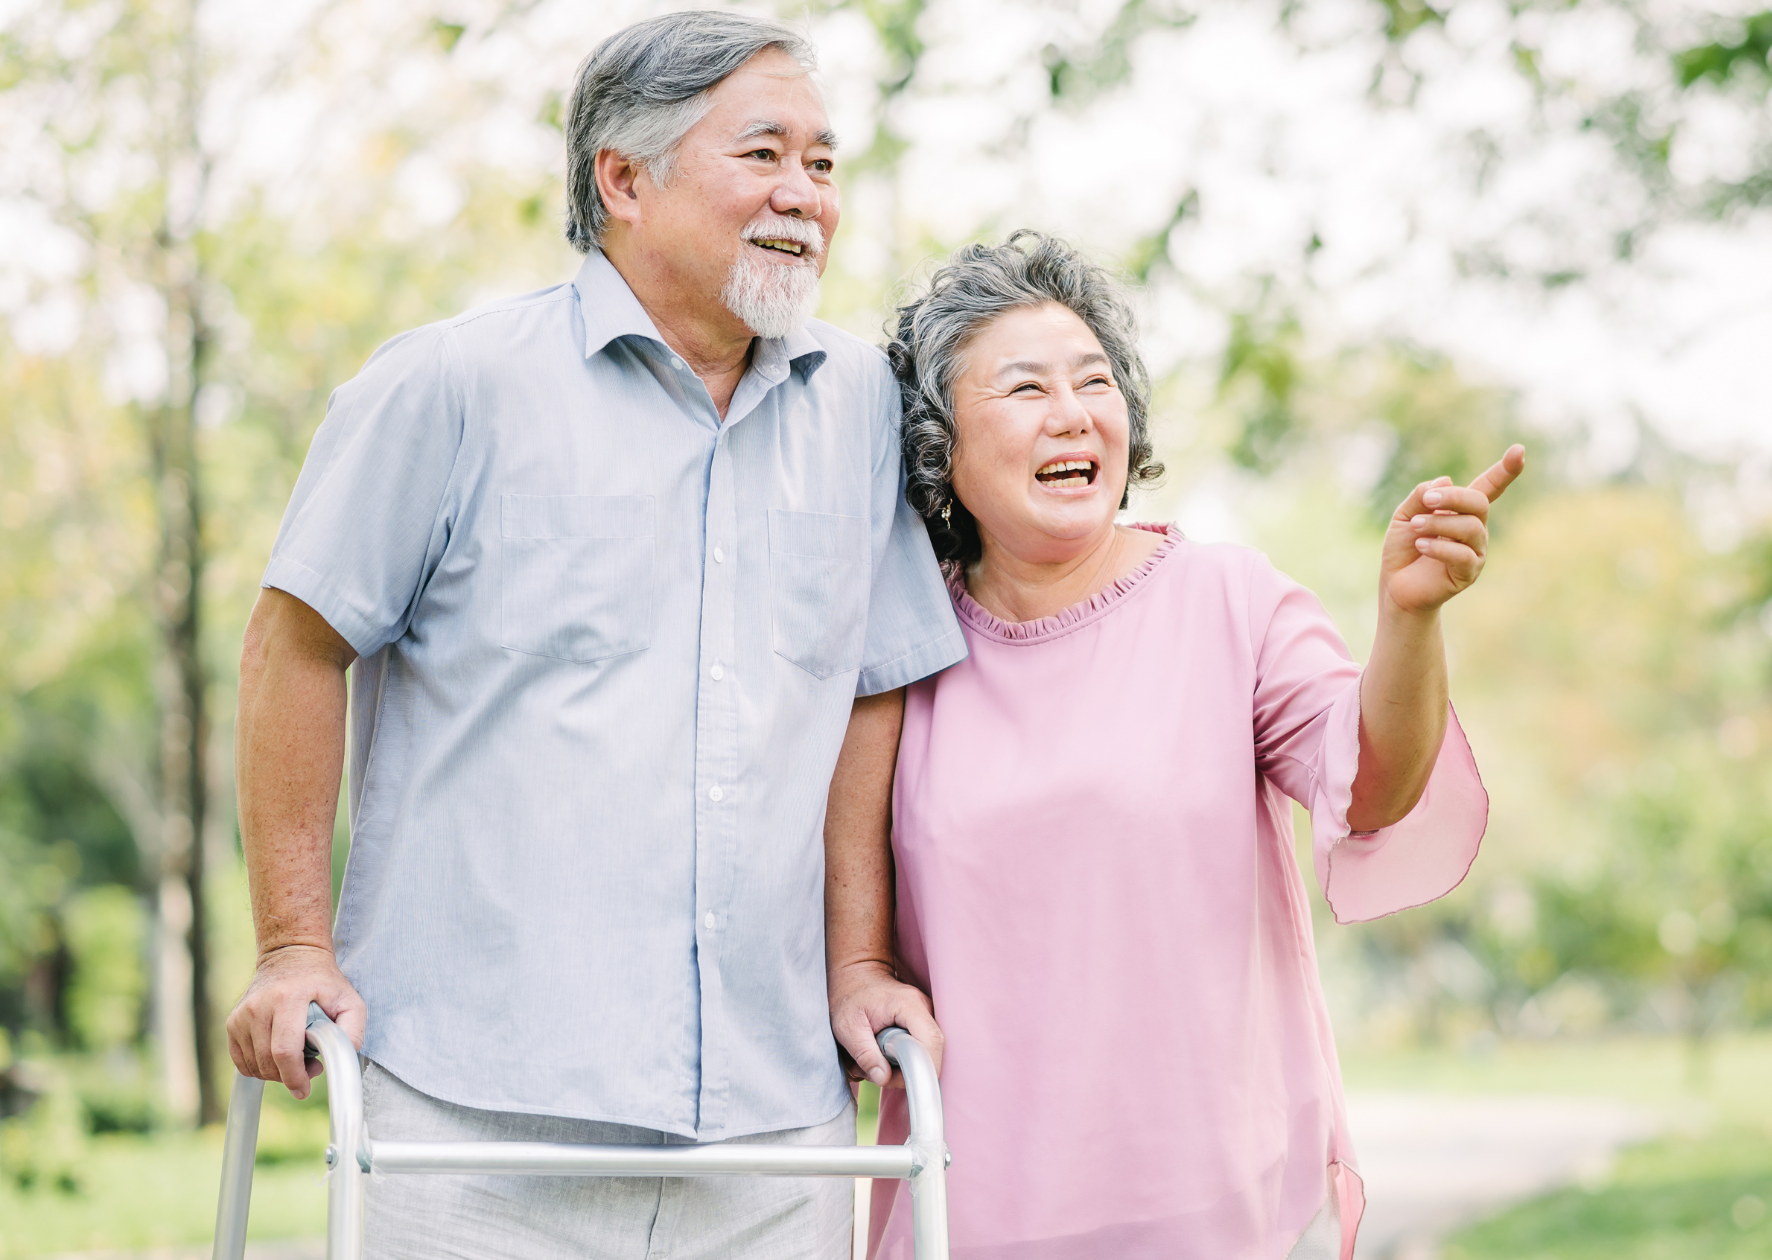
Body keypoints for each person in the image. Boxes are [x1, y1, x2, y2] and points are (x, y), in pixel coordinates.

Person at [225, 12, 959, 1259]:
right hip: (473, 1122)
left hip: (773, 1128)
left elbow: (865, 697)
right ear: (622, 178)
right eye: (764, 155)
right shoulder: (447, 385)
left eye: (824, 166)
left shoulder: (860, 410)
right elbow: (293, 647)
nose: (804, 198)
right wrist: (294, 945)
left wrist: (858, 958)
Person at [828, 232, 1517, 1259]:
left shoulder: (1226, 600)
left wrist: (1407, 620)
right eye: (1024, 389)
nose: (1072, 412)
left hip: (1198, 1208)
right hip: (969, 1212)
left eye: (1093, 381)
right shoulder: (900, 642)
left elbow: (1368, 785)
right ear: (940, 446)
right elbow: (856, 939)